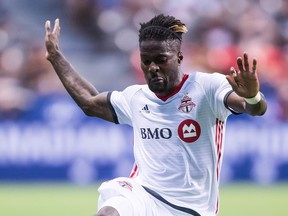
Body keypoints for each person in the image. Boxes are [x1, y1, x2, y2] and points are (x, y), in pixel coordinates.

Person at [45, 14, 267, 216]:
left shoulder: (207, 87)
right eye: (146, 60)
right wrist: (55, 57)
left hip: (191, 209)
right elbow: (89, 102)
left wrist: (252, 97)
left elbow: (254, 109)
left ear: (179, 57)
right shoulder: (136, 97)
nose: (152, 67)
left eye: (161, 60)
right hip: (143, 195)